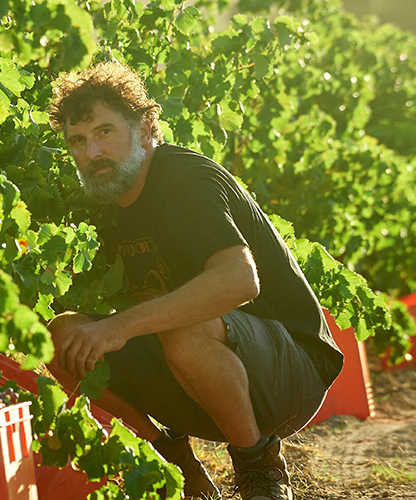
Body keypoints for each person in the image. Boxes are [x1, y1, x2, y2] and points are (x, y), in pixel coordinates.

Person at [44, 61, 344, 500]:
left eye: (105, 132)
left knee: (181, 323)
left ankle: (258, 466)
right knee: (64, 338)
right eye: (78, 141)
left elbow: (240, 280)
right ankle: (175, 465)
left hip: (290, 374)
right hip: (196, 375)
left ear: (146, 129)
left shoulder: (184, 182)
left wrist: (118, 326)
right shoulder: (106, 199)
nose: (91, 154)